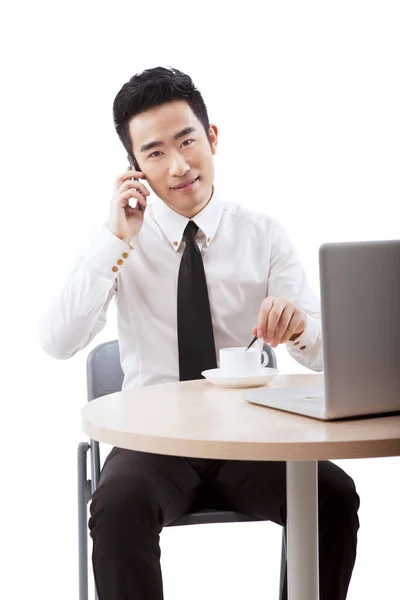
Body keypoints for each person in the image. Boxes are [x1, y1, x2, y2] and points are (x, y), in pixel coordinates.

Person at [39, 66, 359, 600]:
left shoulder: (263, 234)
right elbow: (57, 341)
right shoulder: (119, 241)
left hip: (251, 437)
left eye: (188, 141)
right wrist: (115, 241)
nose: (179, 166)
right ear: (135, 166)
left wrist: (300, 328)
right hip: (152, 440)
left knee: (331, 494)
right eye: (156, 152)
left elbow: (327, 355)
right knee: (117, 506)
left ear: (212, 137)